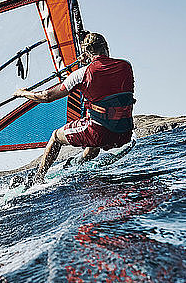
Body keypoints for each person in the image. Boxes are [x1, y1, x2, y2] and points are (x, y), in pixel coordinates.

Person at [14, 32, 135, 186]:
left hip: (100, 133)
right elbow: (108, 83)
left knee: (55, 137)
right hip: (124, 133)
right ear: (106, 47)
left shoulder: (82, 74)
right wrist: (89, 61)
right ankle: (75, 163)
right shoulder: (126, 66)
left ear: (87, 53)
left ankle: (38, 177)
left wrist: (23, 93)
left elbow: (47, 96)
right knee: (92, 146)